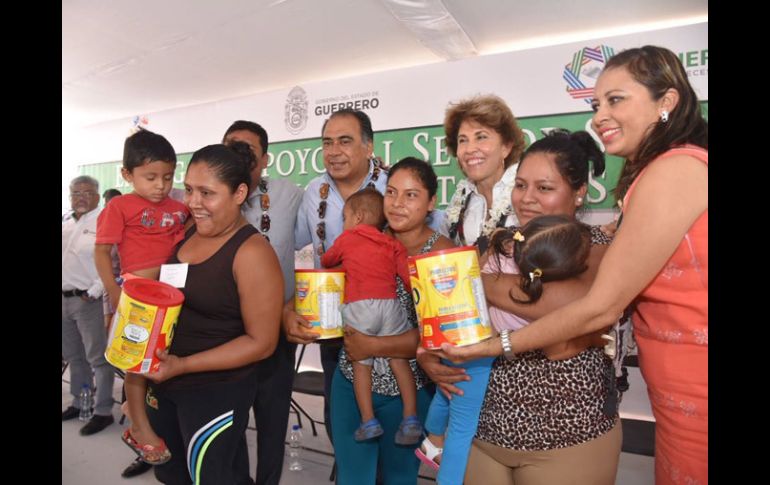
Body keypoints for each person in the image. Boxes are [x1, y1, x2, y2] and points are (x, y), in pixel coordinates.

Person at [450, 46, 708, 485]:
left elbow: (598, 307)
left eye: (616, 99)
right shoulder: (662, 171)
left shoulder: (676, 170)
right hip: (680, 395)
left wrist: (492, 339)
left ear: (666, 102)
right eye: (596, 103)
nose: (600, 115)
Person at [420, 131, 625, 484]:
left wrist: (477, 282)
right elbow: (455, 310)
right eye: (520, 185)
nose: (526, 199)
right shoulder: (501, 240)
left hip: (568, 439)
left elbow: (579, 308)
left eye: (544, 188)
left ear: (578, 193)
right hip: (484, 436)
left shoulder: (600, 246)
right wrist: (428, 353)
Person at [416, 214, 596, 485]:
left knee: (447, 391)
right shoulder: (537, 301)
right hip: (478, 356)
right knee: (463, 430)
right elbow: (556, 345)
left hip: (458, 336)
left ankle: (432, 437)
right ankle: (448, 478)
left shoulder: (502, 254)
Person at [146, 143, 284, 484]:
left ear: (239, 193)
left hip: (214, 392)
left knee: (211, 477)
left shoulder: (252, 252)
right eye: (190, 189)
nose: (194, 202)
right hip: (166, 383)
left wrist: (184, 365)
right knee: (175, 476)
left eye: (207, 193)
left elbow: (262, 343)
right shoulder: (192, 230)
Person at [330, 157, 454, 484]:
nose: (397, 204)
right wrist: (293, 312)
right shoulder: (364, 237)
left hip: (409, 393)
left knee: (399, 479)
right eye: (392, 193)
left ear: (431, 203)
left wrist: (374, 344)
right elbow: (325, 285)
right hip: (352, 383)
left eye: (411, 196)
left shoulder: (441, 253)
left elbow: (445, 335)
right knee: (353, 479)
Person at [288, 109, 390, 447]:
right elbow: (302, 252)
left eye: (345, 141)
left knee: (391, 411)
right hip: (334, 326)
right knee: (341, 417)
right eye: (327, 142)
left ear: (368, 146)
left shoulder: (394, 188)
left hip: (390, 324)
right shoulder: (314, 189)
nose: (334, 151)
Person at [95, 129, 190, 465]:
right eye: (150, 177)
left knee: (160, 361)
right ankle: (138, 426)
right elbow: (102, 252)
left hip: (171, 296)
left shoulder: (180, 208)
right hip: (137, 296)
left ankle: (138, 410)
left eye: (167, 176)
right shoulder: (120, 206)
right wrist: (116, 293)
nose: (160, 185)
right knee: (138, 364)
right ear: (127, 174)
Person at [223, 120, 303, 485]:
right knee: (230, 424)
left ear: (265, 159)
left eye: (247, 151)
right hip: (226, 334)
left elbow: (313, 253)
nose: (237, 157)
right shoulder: (210, 199)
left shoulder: (289, 195)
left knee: (272, 423)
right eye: (230, 148)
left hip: (276, 332)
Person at [321, 188, 422, 444]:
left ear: (357, 217)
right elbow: (408, 278)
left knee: (361, 364)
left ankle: (367, 420)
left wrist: (336, 258)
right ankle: (410, 417)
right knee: (398, 361)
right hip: (390, 306)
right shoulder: (392, 243)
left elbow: (327, 260)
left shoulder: (348, 238)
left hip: (360, 307)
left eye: (344, 217)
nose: (343, 224)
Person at [62, 175, 116, 436]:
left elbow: (112, 262)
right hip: (63, 300)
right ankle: (80, 402)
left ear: (97, 194)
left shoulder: (104, 221)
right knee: (74, 357)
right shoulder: (66, 222)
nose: (80, 197)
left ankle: (103, 410)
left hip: (87, 300)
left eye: (86, 192)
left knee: (97, 358)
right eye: (75, 192)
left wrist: (94, 291)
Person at [441, 94, 526, 253]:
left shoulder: (524, 191)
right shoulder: (460, 199)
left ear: (506, 147)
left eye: (481, 137)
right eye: (463, 140)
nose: (470, 149)